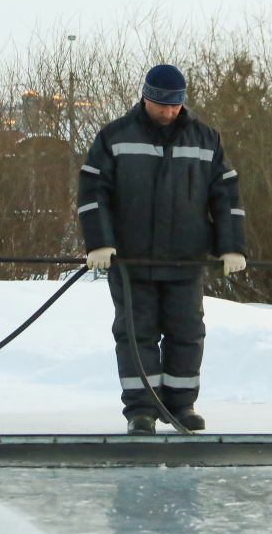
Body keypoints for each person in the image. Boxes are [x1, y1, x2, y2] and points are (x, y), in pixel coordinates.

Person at [77, 64, 246, 435]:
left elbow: (226, 195)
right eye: (160, 105)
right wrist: (100, 242)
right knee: (137, 335)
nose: (168, 112)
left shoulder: (205, 140)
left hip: (186, 260)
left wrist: (230, 247)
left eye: (174, 106)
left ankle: (181, 405)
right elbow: (92, 191)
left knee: (187, 332)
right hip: (132, 262)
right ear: (145, 97)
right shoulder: (115, 136)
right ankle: (143, 409)